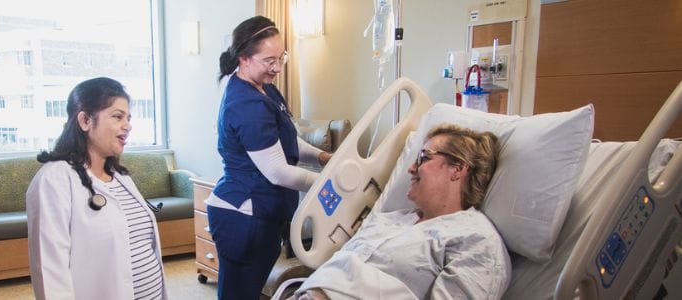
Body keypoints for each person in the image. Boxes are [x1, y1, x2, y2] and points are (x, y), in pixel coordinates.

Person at [292, 124, 511, 300]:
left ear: (457, 169)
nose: (411, 168)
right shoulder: (388, 219)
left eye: (423, 158)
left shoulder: (476, 241)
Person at [208, 15, 332, 300]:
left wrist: (322, 157)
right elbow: (278, 171)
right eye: (268, 60)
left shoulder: (266, 89)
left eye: (281, 58)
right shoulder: (246, 105)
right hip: (243, 215)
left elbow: (288, 139)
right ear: (244, 58)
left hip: (261, 213)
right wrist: (328, 183)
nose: (277, 68)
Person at [26, 77, 166, 299]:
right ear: (85, 120)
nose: (127, 125)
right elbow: (50, 271)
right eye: (117, 116)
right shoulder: (55, 180)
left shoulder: (120, 177)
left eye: (128, 118)